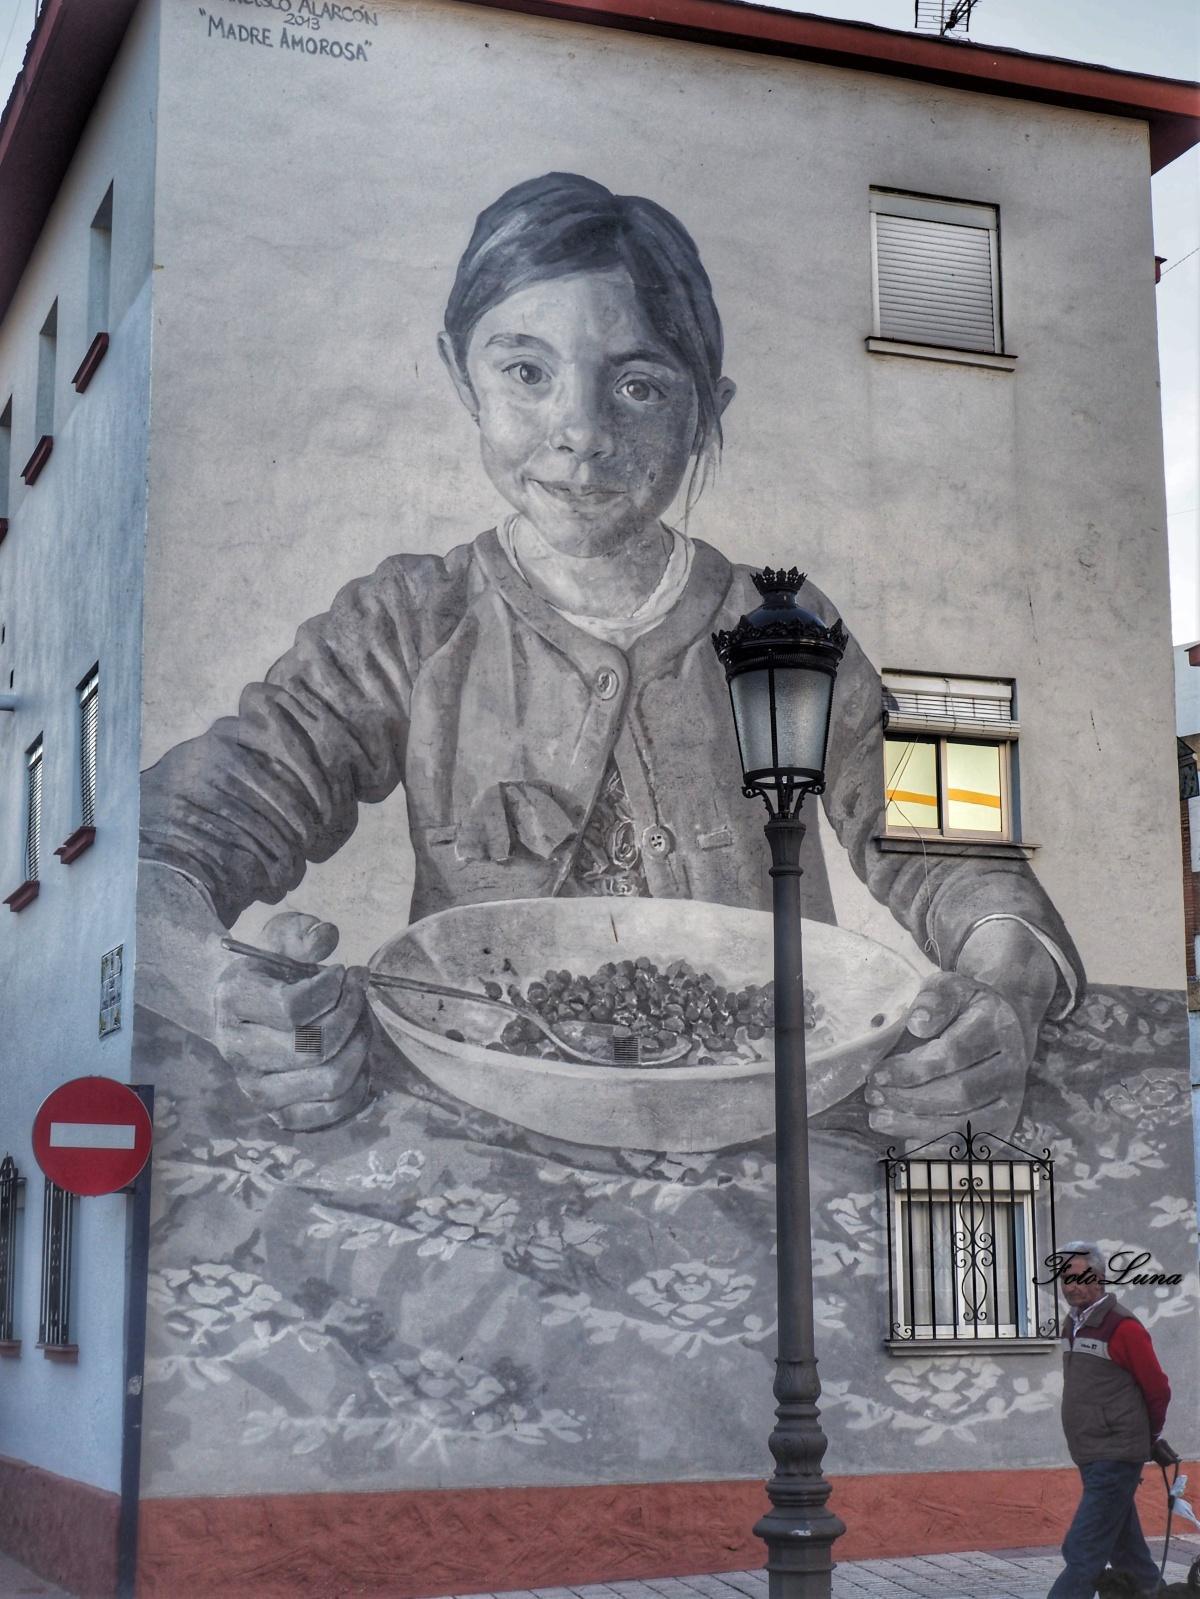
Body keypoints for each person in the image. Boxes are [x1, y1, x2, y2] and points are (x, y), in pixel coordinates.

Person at [138, 171, 1082, 1134]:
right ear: (462, 376)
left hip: (762, 1130)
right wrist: (219, 989)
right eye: (526, 371)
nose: (582, 433)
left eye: (638, 385)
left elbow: (958, 850)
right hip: (484, 1127)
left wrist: (1002, 993)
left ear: (705, 410)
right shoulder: (408, 621)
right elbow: (160, 850)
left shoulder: (787, 626)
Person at [1048, 1243, 1172, 1599]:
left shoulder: (1122, 1327)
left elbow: (1157, 1389)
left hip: (1116, 1454)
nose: (1071, 1286)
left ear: (1100, 1278)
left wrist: (1150, 1436)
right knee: (1127, 1552)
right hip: (1090, 1452)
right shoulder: (1073, 1323)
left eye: (1079, 1277)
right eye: (1065, 1279)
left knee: (1082, 1548)